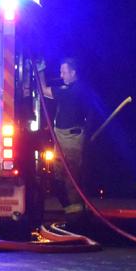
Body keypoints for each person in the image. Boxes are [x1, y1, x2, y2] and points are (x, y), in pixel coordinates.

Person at [38, 57, 94, 214]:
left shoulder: (72, 91)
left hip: (71, 140)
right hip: (64, 139)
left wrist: (40, 70)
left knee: (70, 179)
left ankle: (76, 217)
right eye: (60, 72)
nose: (61, 75)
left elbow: (43, 90)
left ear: (73, 72)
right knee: (60, 177)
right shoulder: (77, 89)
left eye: (64, 72)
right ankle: (72, 211)